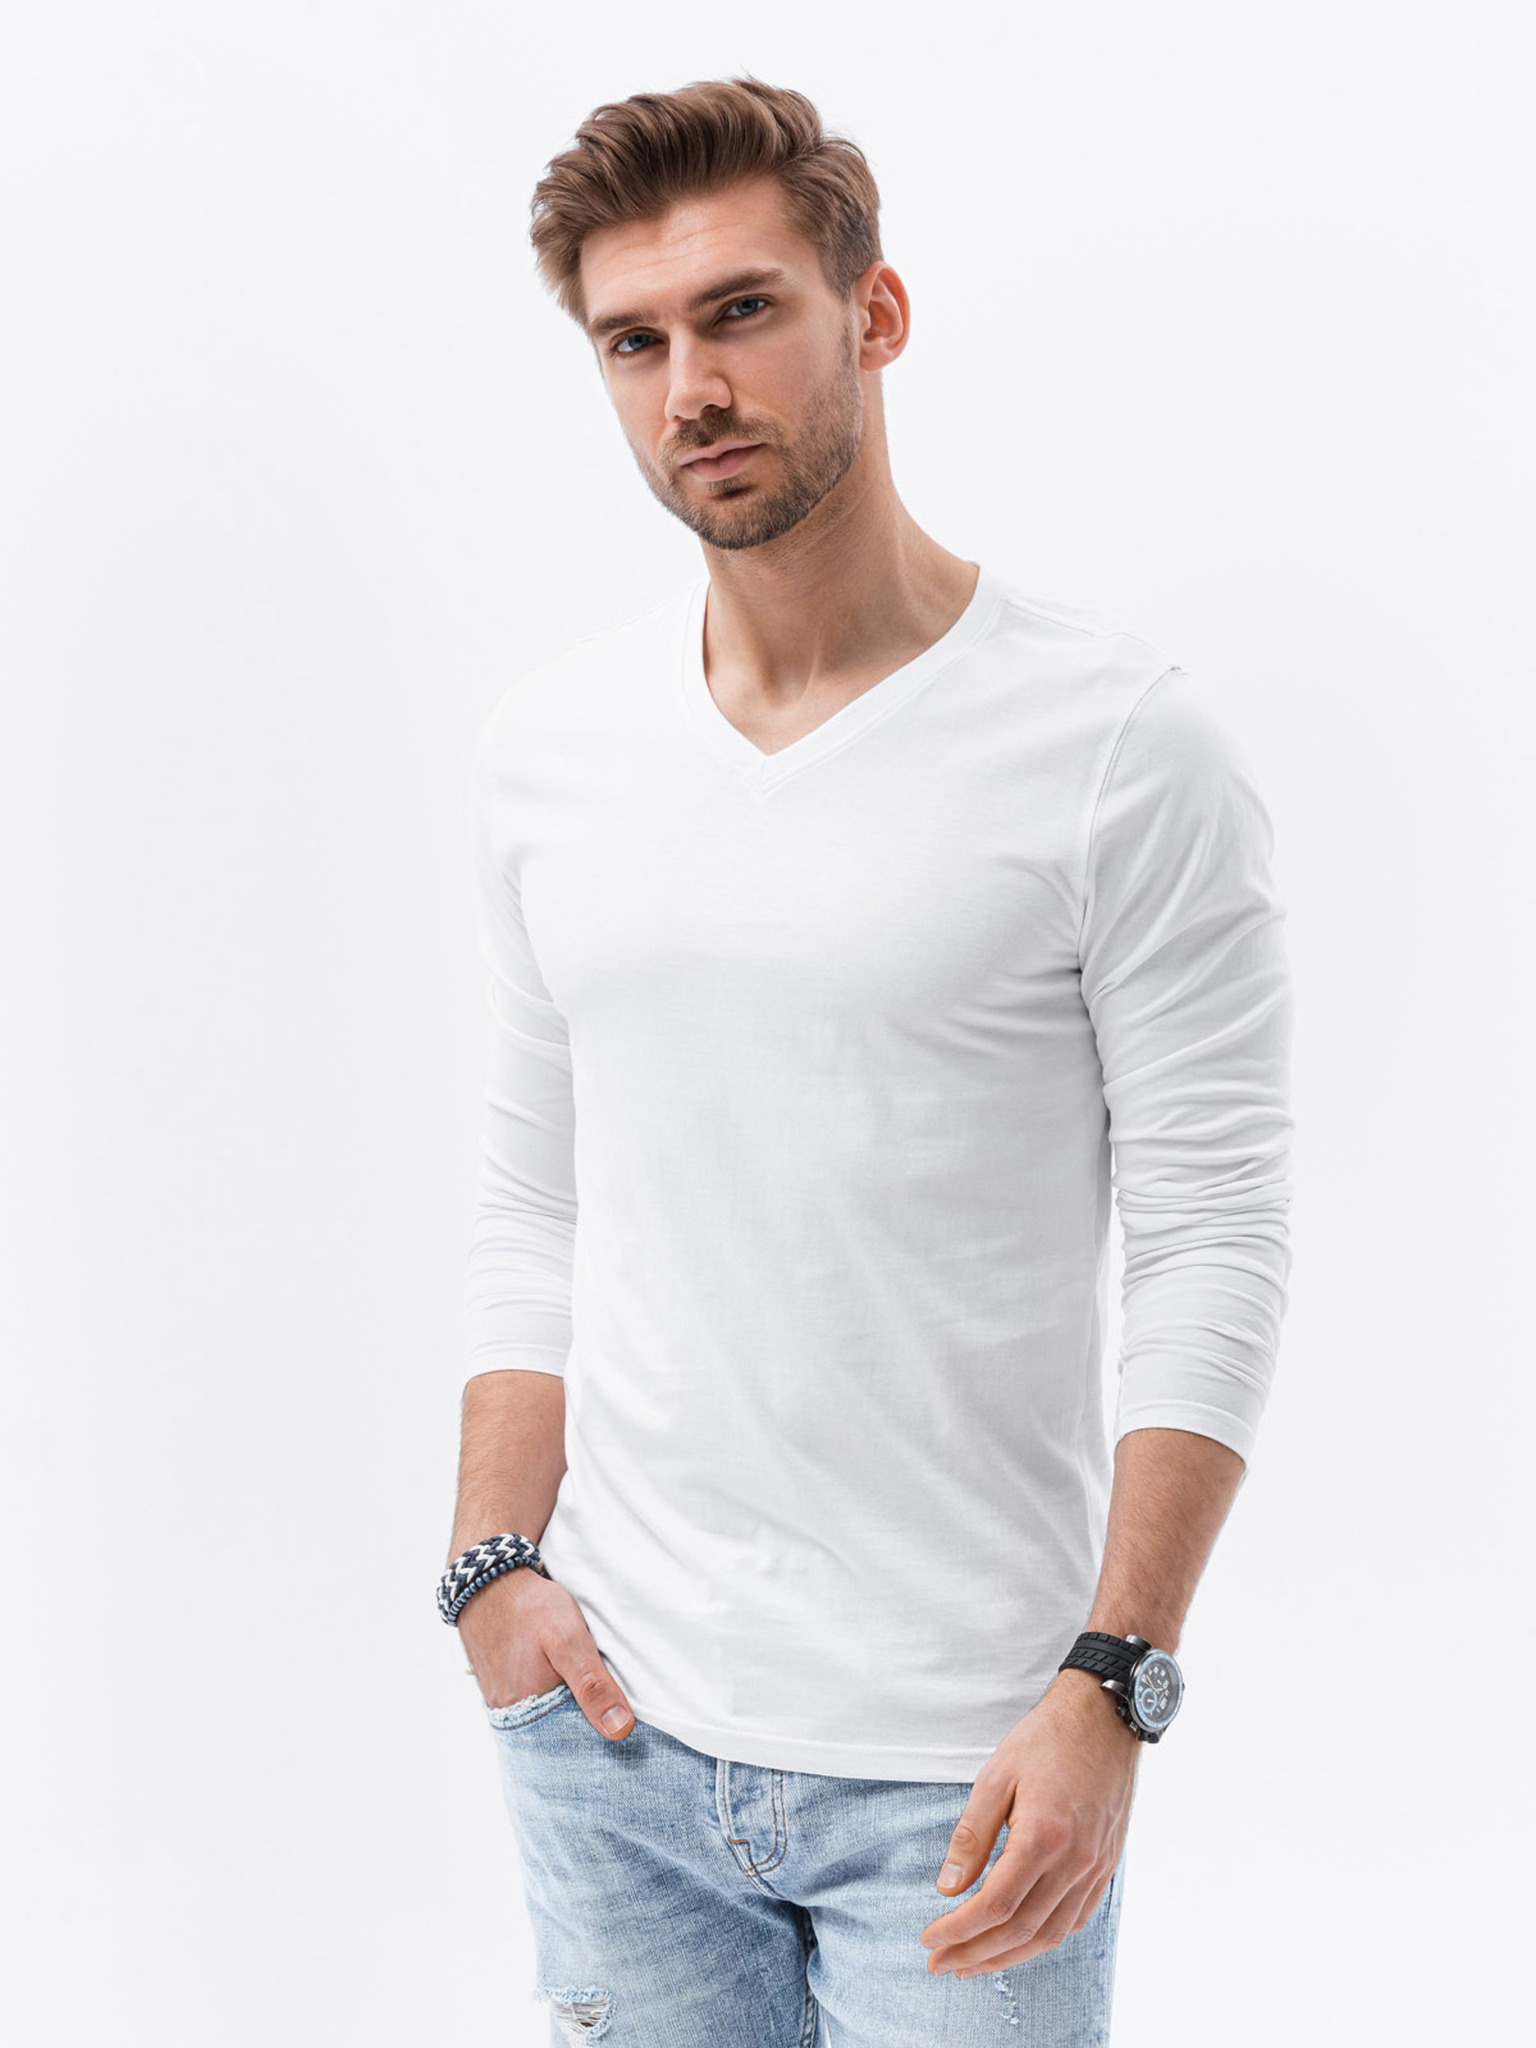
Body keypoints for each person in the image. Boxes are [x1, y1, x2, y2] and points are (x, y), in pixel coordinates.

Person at [439, 72, 1294, 2048]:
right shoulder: (551, 754)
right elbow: (534, 1195)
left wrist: (1114, 1682)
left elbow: (1215, 1238)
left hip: (969, 1766)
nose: (691, 390)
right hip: (611, 1738)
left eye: (741, 312)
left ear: (874, 312)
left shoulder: (1117, 749)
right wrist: (489, 1567)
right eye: (634, 342)